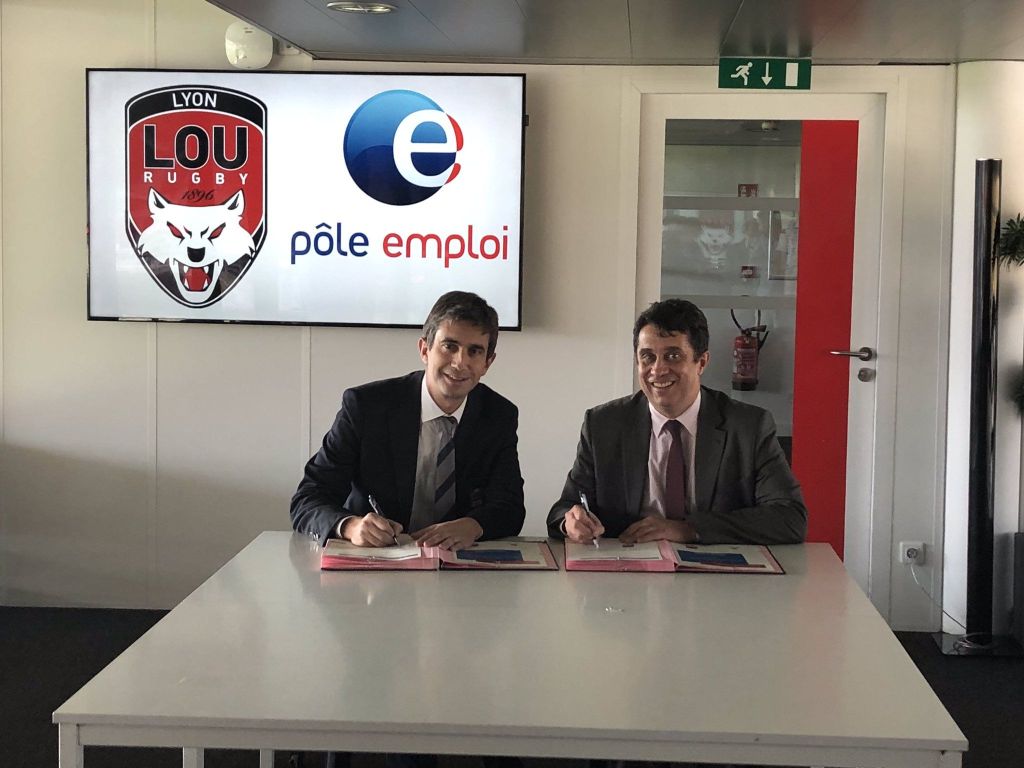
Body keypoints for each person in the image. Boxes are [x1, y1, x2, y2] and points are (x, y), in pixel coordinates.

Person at [548, 298, 806, 545]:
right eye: (647, 356)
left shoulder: (748, 426)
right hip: (629, 564)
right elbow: (563, 510)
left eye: (673, 356)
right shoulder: (603, 425)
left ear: (701, 362)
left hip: (716, 568)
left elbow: (790, 518)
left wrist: (687, 529)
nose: (658, 370)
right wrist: (570, 523)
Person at [291, 290, 525, 552]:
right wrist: (349, 526)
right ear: (425, 350)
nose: (460, 362)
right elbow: (308, 498)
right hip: (375, 560)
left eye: (474, 351)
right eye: (450, 346)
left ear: (487, 363)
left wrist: (474, 525)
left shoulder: (498, 415)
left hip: (456, 563)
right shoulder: (367, 407)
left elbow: (510, 507)